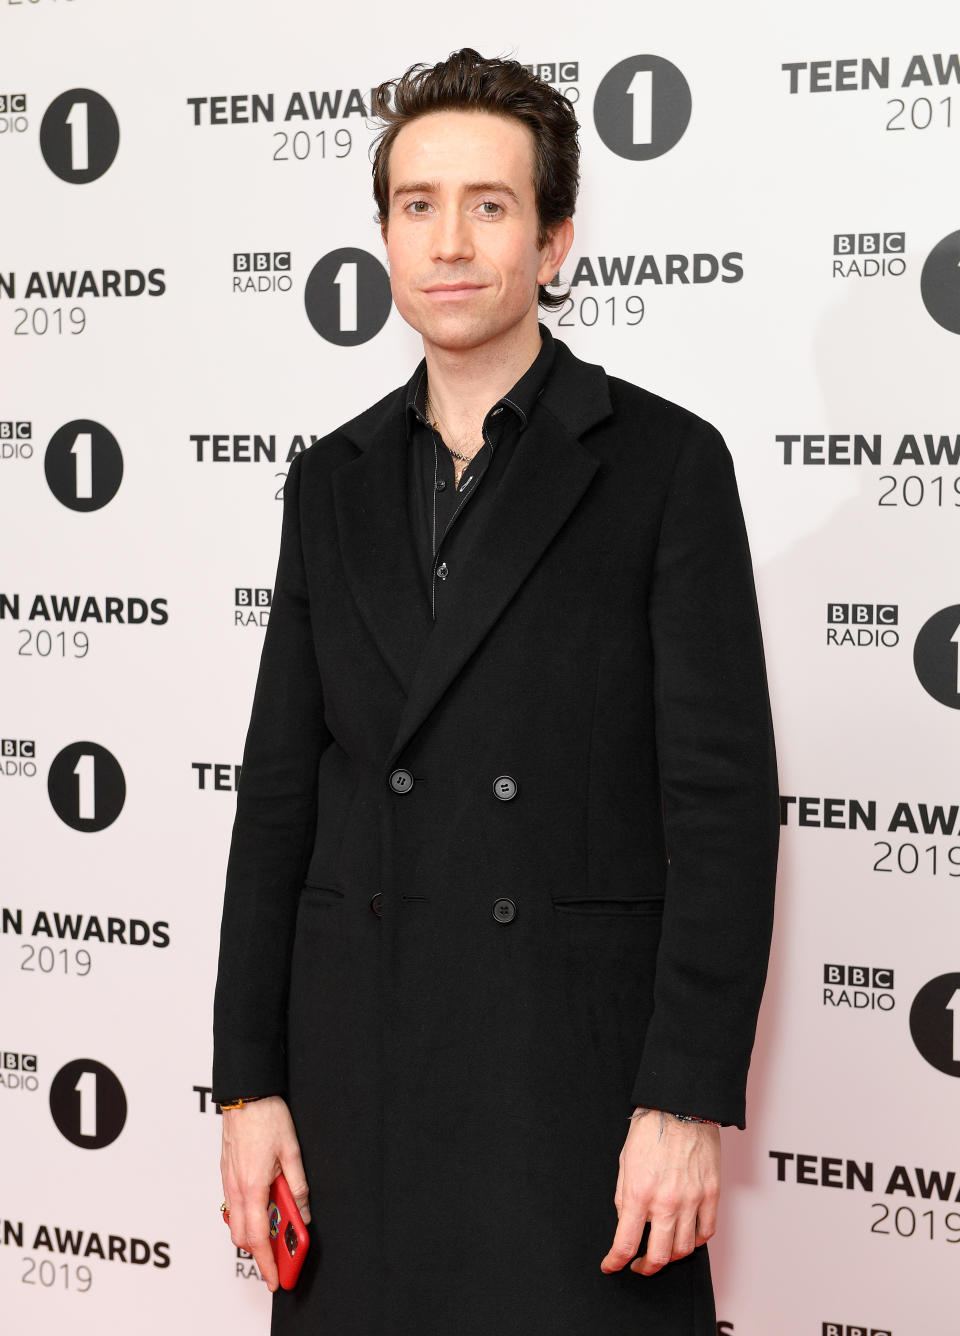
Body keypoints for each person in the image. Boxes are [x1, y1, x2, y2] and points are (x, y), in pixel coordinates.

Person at [212, 47, 779, 1336]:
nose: (450, 240)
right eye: (418, 204)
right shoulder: (331, 480)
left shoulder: (664, 465)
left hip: (570, 1101)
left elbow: (725, 810)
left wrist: (685, 1103)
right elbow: (278, 798)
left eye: (490, 203)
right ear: (384, 238)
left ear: (555, 238)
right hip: (359, 1084)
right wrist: (248, 1089)